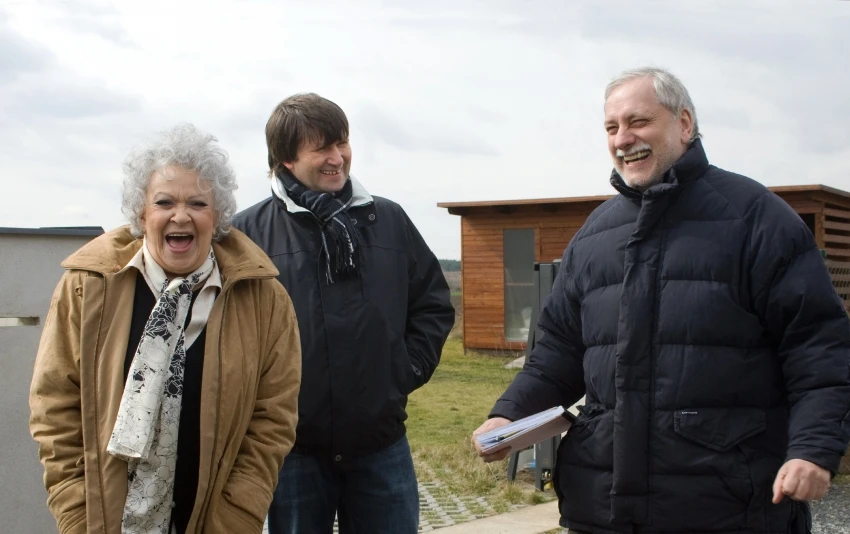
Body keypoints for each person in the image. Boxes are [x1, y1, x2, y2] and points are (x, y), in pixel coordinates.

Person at [473, 67, 850, 533]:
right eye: (611, 128)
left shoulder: (756, 219)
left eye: (638, 121)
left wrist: (813, 449)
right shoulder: (594, 235)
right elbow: (556, 355)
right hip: (603, 508)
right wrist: (508, 415)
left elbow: (819, 349)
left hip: (727, 507)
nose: (623, 138)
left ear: (685, 124)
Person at [29, 123, 302, 534]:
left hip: (215, 522)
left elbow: (272, 422)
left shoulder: (265, 300)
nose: (181, 215)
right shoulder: (87, 288)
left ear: (219, 216)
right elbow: (55, 407)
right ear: (142, 213)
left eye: (197, 202)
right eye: (164, 202)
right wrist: (77, 513)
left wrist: (237, 517)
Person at [232, 92, 455, 534]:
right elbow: (229, 333)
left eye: (343, 143)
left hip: (381, 443)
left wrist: (402, 370)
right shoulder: (247, 235)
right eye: (322, 148)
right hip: (292, 450)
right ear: (286, 160)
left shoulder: (388, 220)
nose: (338, 158)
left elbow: (431, 302)